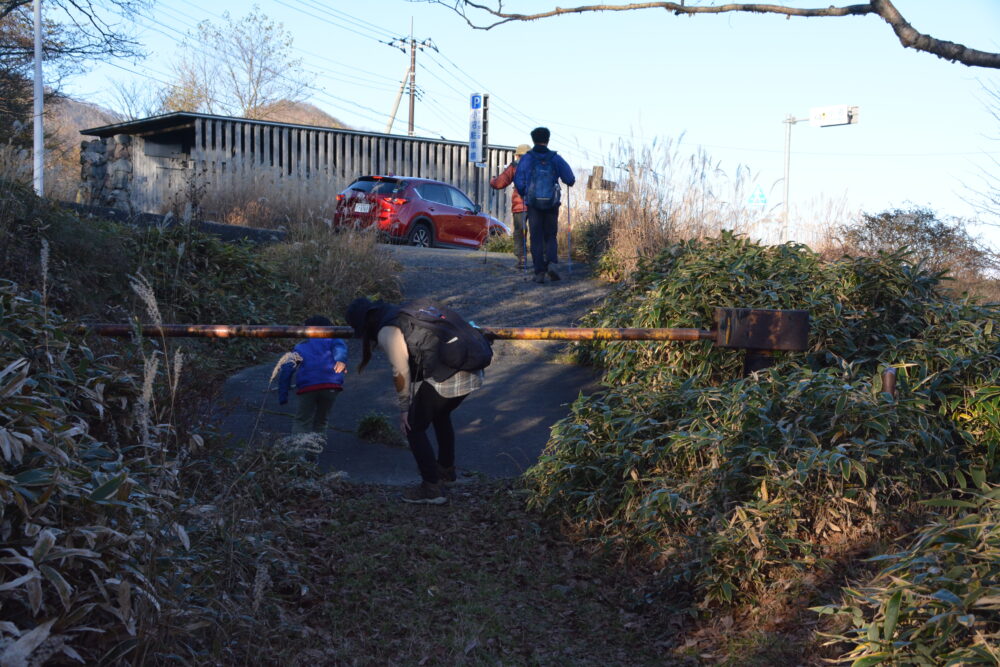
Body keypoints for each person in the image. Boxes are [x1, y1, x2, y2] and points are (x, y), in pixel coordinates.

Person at [345, 297, 485, 505]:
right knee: (440, 414)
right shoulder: (405, 311)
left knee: (413, 426)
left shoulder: (387, 330)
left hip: (452, 376)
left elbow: (400, 371)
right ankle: (446, 471)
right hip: (474, 369)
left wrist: (404, 409)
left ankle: (431, 487)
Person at [513, 127, 576, 284]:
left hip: (533, 204)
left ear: (533, 140)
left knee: (536, 237)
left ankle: (539, 272)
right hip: (551, 203)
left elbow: (518, 181)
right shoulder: (555, 158)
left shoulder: (527, 158)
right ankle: (552, 264)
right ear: (548, 139)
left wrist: (524, 194)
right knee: (550, 235)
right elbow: (570, 178)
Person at [277, 315, 348, 436]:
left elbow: (287, 367)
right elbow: (340, 348)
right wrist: (340, 359)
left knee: (302, 420)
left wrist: (283, 393)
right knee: (321, 421)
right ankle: (313, 453)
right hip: (331, 386)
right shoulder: (333, 339)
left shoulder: (301, 346)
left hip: (308, 387)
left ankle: (297, 453)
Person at [490, 143, 531, 270]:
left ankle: (521, 260)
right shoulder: (537, 165)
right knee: (537, 232)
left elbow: (500, 183)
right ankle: (541, 261)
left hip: (520, 204)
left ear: (518, 155)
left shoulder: (515, 166)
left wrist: (492, 181)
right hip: (536, 205)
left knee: (519, 232)